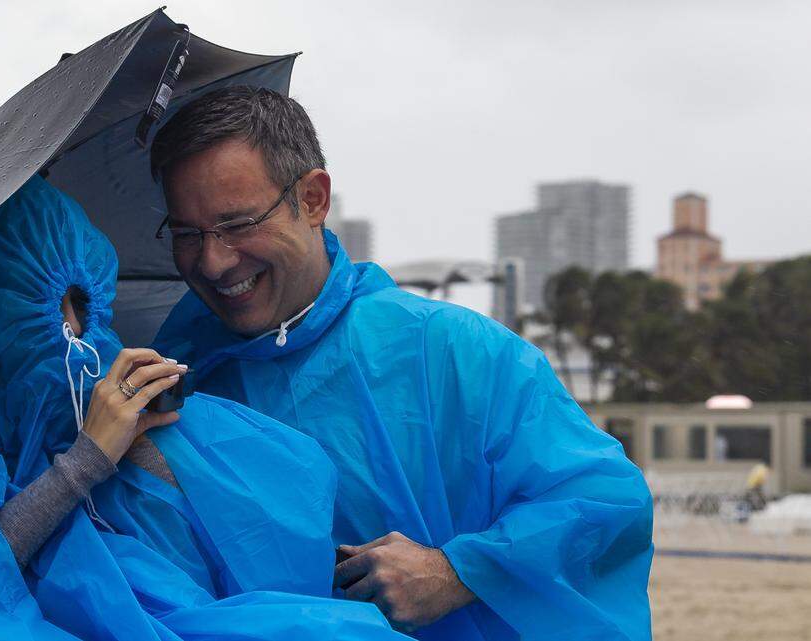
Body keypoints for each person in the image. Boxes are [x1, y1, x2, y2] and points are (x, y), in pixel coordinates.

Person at [151, 86, 654, 640]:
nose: (213, 262)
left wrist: (458, 570)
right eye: (187, 234)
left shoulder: (454, 350)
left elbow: (601, 499)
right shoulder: (175, 380)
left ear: (313, 199)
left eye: (239, 224)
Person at [0, 176, 407, 641]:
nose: (76, 332)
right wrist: (83, 464)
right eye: (37, 308)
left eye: (83, 302)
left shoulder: (165, 415)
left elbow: (282, 543)